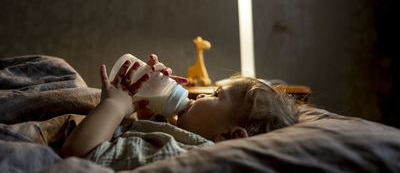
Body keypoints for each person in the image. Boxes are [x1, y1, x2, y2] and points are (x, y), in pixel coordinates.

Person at [60, 54, 299, 170]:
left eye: (216, 96)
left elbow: (80, 155)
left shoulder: (181, 156)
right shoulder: (182, 139)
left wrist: (112, 106)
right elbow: (142, 134)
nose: (201, 95)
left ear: (230, 136)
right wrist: (144, 105)